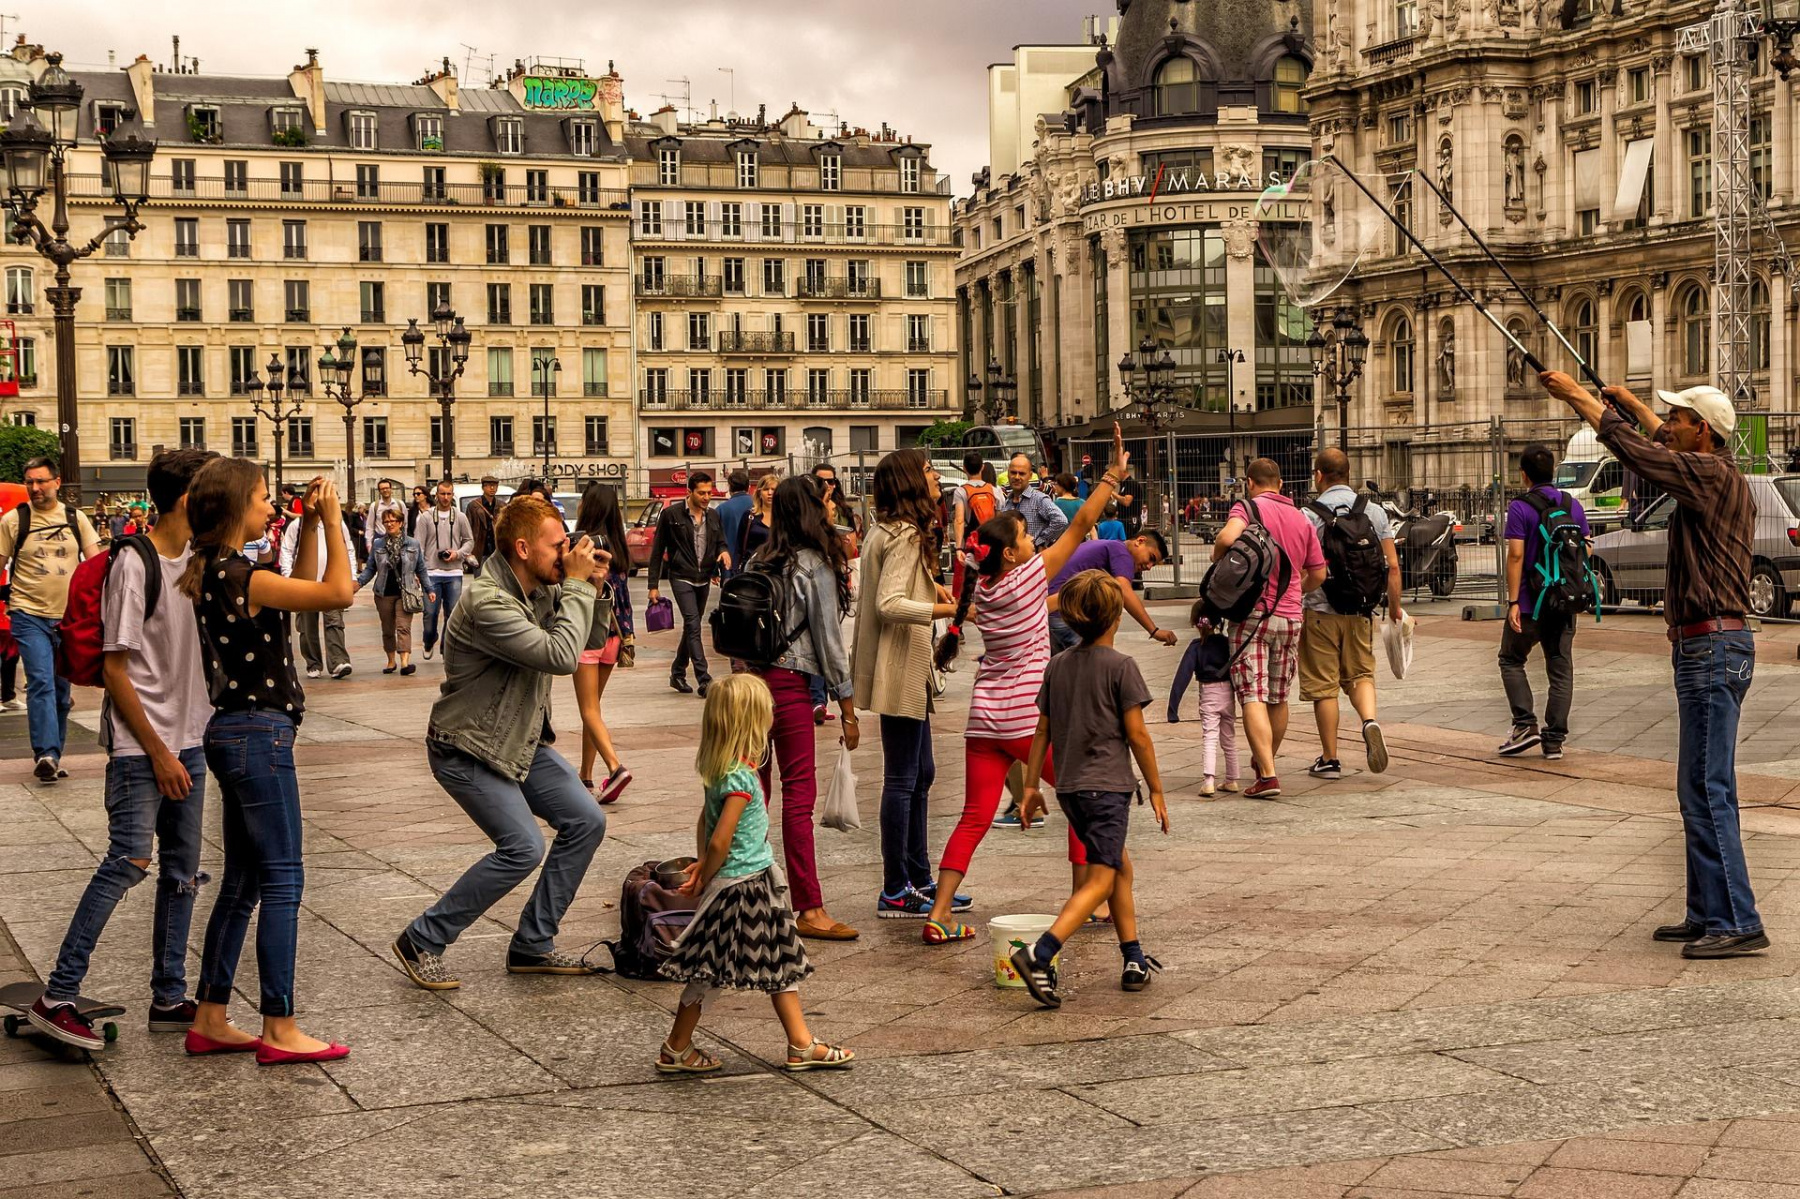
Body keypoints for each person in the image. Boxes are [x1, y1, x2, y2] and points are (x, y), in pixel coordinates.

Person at [1542, 372, 1769, 958]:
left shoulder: (1708, 474)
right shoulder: (1711, 470)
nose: (1669, 425)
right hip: (1711, 646)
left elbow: (1644, 454)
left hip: (1713, 648)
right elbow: (1660, 443)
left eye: (1679, 419)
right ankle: (1708, 913)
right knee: (1697, 786)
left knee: (1708, 786)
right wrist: (1637, 405)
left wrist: (1580, 399)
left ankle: (1738, 920)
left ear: (1704, 433)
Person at [27, 449, 217, 1052]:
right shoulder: (134, 563)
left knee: (182, 874)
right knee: (128, 862)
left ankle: (169, 994)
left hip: (190, 738)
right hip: (145, 747)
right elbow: (115, 668)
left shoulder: (200, 557)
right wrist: (158, 751)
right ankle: (57, 996)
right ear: (188, 498)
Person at [392, 496, 611, 990]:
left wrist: (592, 589)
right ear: (522, 548)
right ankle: (422, 939)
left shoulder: (540, 589)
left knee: (586, 820)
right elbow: (560, 655)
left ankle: (533, 944)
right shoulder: (487, 601)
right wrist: (575, 585)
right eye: (557, 546)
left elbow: (585, 639)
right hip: (465, 746)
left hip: (519, 740)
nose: (565, 553)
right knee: (522, 846)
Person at [922, 425, 1128, 942]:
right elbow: (1081, 523)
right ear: (1012, 554)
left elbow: (1035, 608)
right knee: (1082, 795)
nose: (1031, 541)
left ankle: (939, 913)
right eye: (1023, 538)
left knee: (973, 817)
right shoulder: (1027, 575)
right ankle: (1091, 900)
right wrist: (1110, 477)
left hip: (984, 719)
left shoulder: (985, 589)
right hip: (1023, 720)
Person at [182, 465, 354, 1064]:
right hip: (260, 735)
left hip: (232, 732)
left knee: (243, 881)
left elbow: (298, 587)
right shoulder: (240, 575)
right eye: (260, 500)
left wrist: (305, 528)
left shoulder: (216, 572)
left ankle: (210, 1015)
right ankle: (279, 1024)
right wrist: (333, 522)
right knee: (282, 879)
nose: (266, 508)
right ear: (235, 511)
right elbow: (336, 594)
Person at [655, 673, 854, 1076]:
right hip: (747, 888)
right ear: (750, 721)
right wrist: (702, 871)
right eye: (767, 713)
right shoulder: (743, 777)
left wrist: (701, 867)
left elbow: (705, 827)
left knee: (722, 966)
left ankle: (683, 1047)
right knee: (769, 962)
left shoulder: (721, 768)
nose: (772, 718)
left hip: (739, 883)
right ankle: (797, 1044)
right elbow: (720, 841)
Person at [1013, 569, 1170, 1008]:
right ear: (1116, 616)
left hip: (1070, 789)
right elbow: (1138, 736)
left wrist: (1029, 787)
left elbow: (1040, 732)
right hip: (1107, 789)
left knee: (1118, 867)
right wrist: (1156, 790)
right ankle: (1040, 954)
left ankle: (1133, 956)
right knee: (1101, 879)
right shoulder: (1122, 667)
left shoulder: (1057, 664)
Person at [747, 476, 861, 940]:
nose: (830, 508)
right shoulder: (814, 565)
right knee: (798, 797)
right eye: (823, 502)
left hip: (751, 686)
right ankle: (809, 909)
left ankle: (746, 899)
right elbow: (830, 645)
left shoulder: (761, 558)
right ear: (811, 512)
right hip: (790, 686)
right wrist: (848, 709)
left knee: (753, 793)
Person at [852, 449, 958, 919]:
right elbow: (889, 603)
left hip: (906, 669)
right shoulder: (906, 535)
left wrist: (931, 586)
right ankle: (896, 886)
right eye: (930, 471)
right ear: (913, 482)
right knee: (902, 779)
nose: (937, 477)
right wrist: (945, 610)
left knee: (923, 774)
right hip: (899, 668)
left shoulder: (887, 528)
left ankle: (919, 877)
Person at [1212, 458, 1326, 800]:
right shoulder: (1301, 517)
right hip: (1291, 618)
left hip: (1252, 616)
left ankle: (1268, 774)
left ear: (1250, 482)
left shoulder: (1247, 507)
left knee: (1252, 694)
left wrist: (1220, 561)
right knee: (1278, 697)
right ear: (1280, 483)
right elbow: (1318, 574)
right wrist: (1295, 592)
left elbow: (1227, 537)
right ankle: (1265, 765)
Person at [1300, 448, 1402, 781]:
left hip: (1319, 611)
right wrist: (1396, 609)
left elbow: (1301, 565)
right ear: (1348, 473)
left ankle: (1330, 759)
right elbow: (1392, 565)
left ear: (1319, 475)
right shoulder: (1373, 512)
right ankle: (1369, 721)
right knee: (1361, 674)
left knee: (1324, 686)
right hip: (1361, 609)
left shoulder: (1309, 516)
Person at [0, 456, 101, 781]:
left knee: (59, 690)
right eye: (30, 481)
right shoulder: (14, 520)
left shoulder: (76, 518)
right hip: (27, 613)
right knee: (41, 682)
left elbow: (96, 563)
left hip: (68, 619)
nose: (35, 487)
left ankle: (53, 753)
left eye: (41, 481)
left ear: (57, 482)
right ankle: (45, 752)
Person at [1498, 442, 1591, 761]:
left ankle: (1525, 724)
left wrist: (1512, 601)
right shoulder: (1572, 505)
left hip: (1530, 602)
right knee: (1560, 667)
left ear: (1523, 474)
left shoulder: (1520, 508)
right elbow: (1586, 549)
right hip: (1564, 600)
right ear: (1553, 471)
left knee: (1511, 659)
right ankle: (1554, 740)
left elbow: (1516, 555)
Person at [572, 482, 632, 803]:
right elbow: (622, 600)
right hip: (613, 637)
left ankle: (616, 767)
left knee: (588, 709)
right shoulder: (618, 546)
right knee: (593, 709)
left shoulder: (583, 547)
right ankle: (585, 775)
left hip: (586, 635)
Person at [647, 471, 730, 696]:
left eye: (709, 492)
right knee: (693, 623)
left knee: (691, 627)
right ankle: (704, 678)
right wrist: (652, 585)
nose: (706, 497)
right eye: (701, 493)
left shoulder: (713, 516)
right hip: (681, 576)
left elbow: (720, 541)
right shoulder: (671, 515)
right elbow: (657, 552)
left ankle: (677, 672)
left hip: (703, 578)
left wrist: (722, 554)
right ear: (689, 492)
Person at [1045, 531, 1175, 654]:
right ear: (1140, 541)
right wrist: (1154, 630)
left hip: (1051, 611)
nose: (1149, 566)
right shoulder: (1122, 553)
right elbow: (1124, 591)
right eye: (1151, 558)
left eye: (1154, 564)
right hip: (1065, 616)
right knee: (1089, 667)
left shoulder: (1108, 546)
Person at [1168, 606, 1239, 796]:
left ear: (1195, 623)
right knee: (1229, 736)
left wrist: (1172, 709)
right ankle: (1232, 779)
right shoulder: (1227, 643)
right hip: (1228, 693)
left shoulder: (1195, 646)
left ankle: (1208, 782)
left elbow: (1182, 676)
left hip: (1208, 693)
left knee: (1210, 736)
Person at [280, 502, 355, 680]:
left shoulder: (336, 524)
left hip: (331, 582)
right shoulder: (297, 526)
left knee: (334, 622)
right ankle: (313, 663)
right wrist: (289, 575)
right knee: (307, 627)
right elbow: (286, 550)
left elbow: (348, 549)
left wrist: (352, 576)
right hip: (305, 583)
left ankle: (338, 662)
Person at [354, 507, 432, 675]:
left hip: (406, 591)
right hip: (383, 592)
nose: (389, 524)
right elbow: (370, 568)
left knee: (403, 627)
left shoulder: (412, 544)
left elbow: (421, 569)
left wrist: (429, 589)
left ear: (401, 523)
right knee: (388, 629)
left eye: (393, 521)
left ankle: (405, 663)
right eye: (386, 522)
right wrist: (358, 584)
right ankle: (391, 661)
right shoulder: (378, 544)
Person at [417, 481, 473, 662]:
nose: (446, 498)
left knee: (452, 613)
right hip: (431, 572)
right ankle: (429, 639)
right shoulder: (426, 518)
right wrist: (418, 572)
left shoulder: (460, 517)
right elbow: (419, 546)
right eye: (442, 494)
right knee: (430, 613)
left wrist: (457, 554)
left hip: (454, 572)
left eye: (449, 494)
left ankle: (445, 647)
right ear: (436, 495)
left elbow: (469, 541)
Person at [1001, 453, 1069, 549]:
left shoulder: (1039, 499)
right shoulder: (1007, 502)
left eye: (1021, 473)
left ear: (1030, 475)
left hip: (1034, 559)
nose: (1016, 477)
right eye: (1013, 472)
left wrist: (1040, 542)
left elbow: (1061, 521)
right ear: (1008, 473)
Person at [715, 469, 753, 580]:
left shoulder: (721, 510)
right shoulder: (758, 506)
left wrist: (714, 571)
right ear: (748, 487)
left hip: (729, 566)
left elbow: (715, 540)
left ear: (730, 487)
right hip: (756, 565)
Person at [737, 472, 777, 566]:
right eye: (766, 489)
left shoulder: (784, 518)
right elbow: (738, 547)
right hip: (751, 569)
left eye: (773, 489)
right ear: (759, 493)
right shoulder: (749, 516)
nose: (770, 493)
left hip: (776, 570)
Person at [467, 475, 503, 567]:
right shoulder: (473, 506)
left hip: (497, 551)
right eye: (489, 485)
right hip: (480, 550)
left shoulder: (502, 506)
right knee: (480, 578)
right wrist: (469, 551)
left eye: (495, 486)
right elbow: (468, 530)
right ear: (483, 487)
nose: (492, 488)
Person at [367, 479, 405, 553]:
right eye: (382, 489)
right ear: (379, 491)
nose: (385, 490)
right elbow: (370, 526)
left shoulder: (400, 504)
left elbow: (405, 523)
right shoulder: (374, 506)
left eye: (387, 488)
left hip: (398, 539)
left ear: (391, 489)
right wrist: (369, 544)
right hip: (380, 539)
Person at [1115, 459, 1147, 539]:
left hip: (1130, 520)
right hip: (1124, 519)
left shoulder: (1131, 484)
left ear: (1123, 472)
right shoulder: (1123, 484)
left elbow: (1127, 501)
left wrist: (1113, 494)